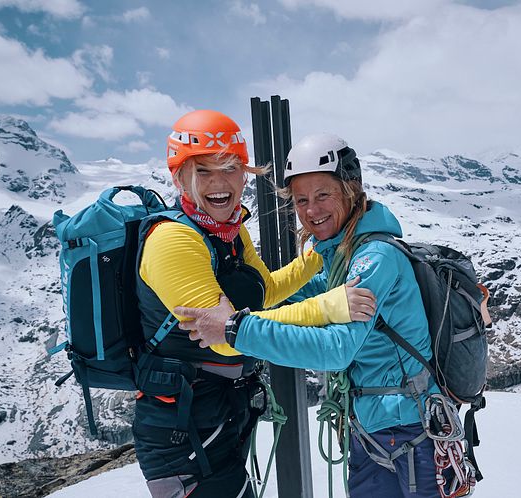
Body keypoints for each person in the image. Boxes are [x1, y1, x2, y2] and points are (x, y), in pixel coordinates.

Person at [175, 133, 445, 497]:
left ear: (350, 189)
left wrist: (236, 330)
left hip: (410, 429)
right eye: (301, 200)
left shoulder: (374, 259)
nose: (311, 211)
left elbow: (337, 348)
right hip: (375, 429)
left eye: (322, 196)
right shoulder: (339, 259)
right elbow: (284, 304)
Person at [134, 112, 377, 497]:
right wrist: (327, 308)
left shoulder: (229, 229)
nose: (219, 184)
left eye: (229, 168)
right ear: (179, 177)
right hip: (182, 433)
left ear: (244, 173)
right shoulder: (173, 242)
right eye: (204, 171)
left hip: (221, 414)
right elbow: (227, 336)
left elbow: (265, 291)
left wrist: (322, 250)